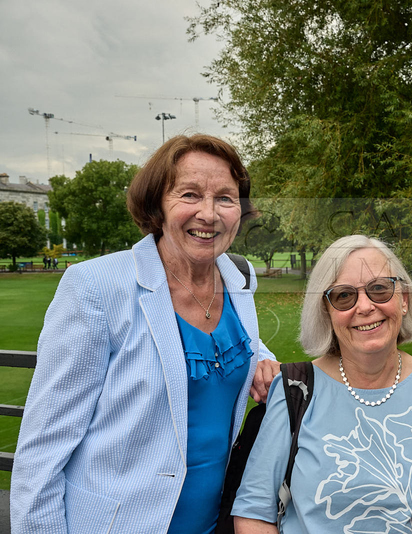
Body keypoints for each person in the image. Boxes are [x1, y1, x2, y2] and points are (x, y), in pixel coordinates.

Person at [11, 134, 280, 534]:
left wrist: (261, 358)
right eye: (189, 194)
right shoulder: (95, 287)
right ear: (157, 203)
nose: (208, 213)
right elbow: (42, 450)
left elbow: (237, 340)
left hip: (215, 521)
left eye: (225, 198)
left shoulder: (238, 275)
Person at [232, 235, 412, 533]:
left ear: (404, 299)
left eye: (380, 289)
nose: (365, 306)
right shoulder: (295, 390)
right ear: (326, 312)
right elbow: (253, 512)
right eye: (344, 296)